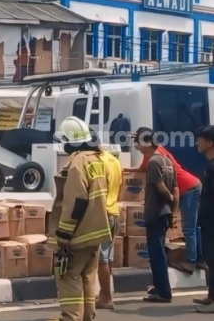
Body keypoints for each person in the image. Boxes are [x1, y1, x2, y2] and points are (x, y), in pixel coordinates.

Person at [50, 117, 111, 321]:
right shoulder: (96, 160)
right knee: (87, 275)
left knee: (68, 275)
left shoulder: (78, 162)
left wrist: (64, 233)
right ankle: (86, 316)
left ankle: (70, 317)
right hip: (96, 230)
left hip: (79, 232)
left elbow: (77, 201)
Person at [125, 127, 204, 272]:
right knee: (194, 227)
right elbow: (143, 168)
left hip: (188, 187)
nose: (136, 145)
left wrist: (171, 202)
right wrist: (126, 170)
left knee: (189, 228)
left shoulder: (158, 154)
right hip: (186, 187)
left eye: (138, 141)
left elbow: (167, 181)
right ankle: (199, 258)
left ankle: (192, 261)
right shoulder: (150, 154)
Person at [132, 128, 177, 303]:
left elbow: (162, 188)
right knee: (158, 252)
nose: (136, 145)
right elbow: (176, 189)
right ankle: (159, 288)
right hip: (165, 213)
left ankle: (163, 293)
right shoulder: (167, 161)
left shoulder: (153, 162)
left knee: (156, 254)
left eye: (138, 141)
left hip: (155, 213)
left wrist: (169, 198)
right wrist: (173, 210)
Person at [96, 145, 123, 309]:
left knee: (101, 259)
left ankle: (106, 297)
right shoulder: (114, 160)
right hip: (114, 211)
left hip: (103, 213)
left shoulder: (98, 162)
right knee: (108, 258)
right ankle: (105, 294)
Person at [194, 125, 214, 313]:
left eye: (200, 139)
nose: (197, 143)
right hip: (208, 222)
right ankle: (211, 296)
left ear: (209, 142)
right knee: (210, 259)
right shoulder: (209, 166)